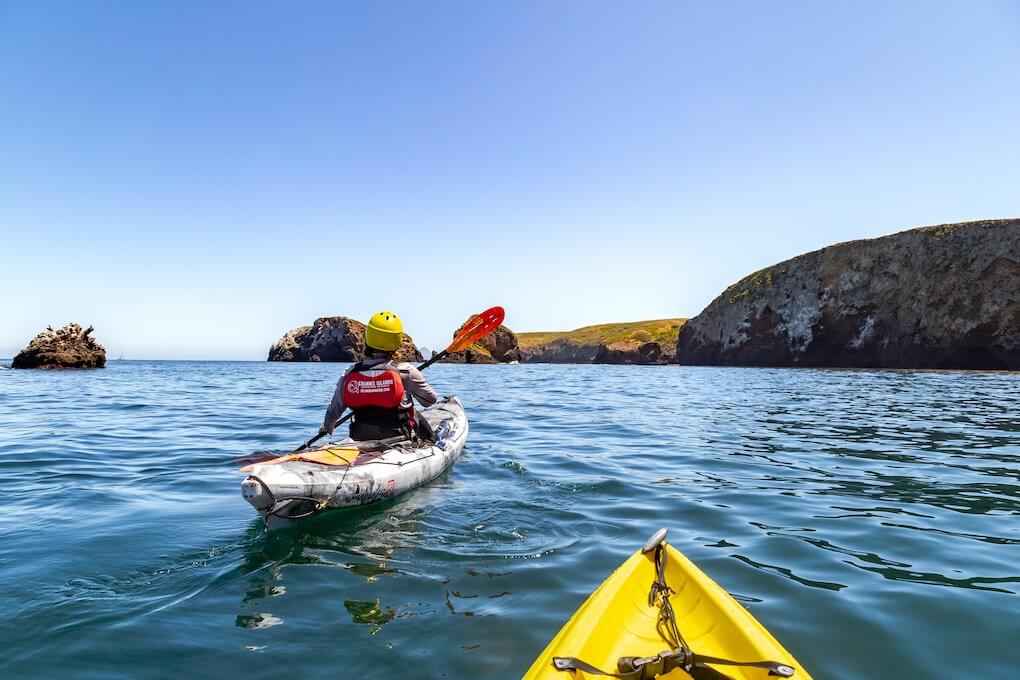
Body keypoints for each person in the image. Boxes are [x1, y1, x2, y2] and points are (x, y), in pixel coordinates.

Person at [320, 311, 438, 442]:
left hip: (359, 438)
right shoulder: (405, 372)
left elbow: (334, 411)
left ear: (368, 338)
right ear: (397, 340)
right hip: (398, 439)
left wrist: (327, 427)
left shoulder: (350, 372)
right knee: (412, 410)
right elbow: (430, 401)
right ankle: (432, 443)